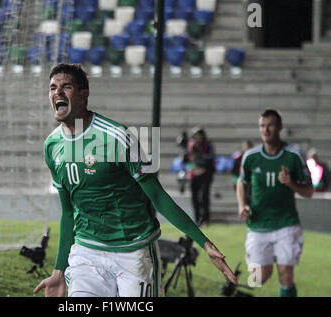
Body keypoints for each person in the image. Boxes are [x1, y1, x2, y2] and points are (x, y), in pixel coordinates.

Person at [33, 63, 237, 297]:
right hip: (87, 253)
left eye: (65, 86)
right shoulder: (52, 146)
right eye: (52, 88)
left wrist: (204, 243)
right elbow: (68, 212)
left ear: (84, 94)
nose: (57, 92)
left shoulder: (119, 137)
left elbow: (158, 197)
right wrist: (59, 272)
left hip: (134, 252)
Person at [236, 109, 314, 297]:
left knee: (286, 274)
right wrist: (241, 205)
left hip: (286, 224)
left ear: (279, 127)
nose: (266, 130)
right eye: (262, 126)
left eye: (270, 125)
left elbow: (309, 191)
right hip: (257, 225)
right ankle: (262, 267)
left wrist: (290, 183)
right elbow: (241, 181)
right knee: (257, 278)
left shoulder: (293, 155)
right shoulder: (251, 157)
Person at [184, 126, 215, 226]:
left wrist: (200, 156)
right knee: (194, 197)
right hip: (194, 174)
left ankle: (206, 219)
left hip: (206, 173)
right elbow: (186, 159)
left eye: (199, 135)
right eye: (195, 135)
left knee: (204, 196)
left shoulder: (208, 145)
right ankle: (197, 219)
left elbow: (211, 157)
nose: (197, 137)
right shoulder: (191, 145)